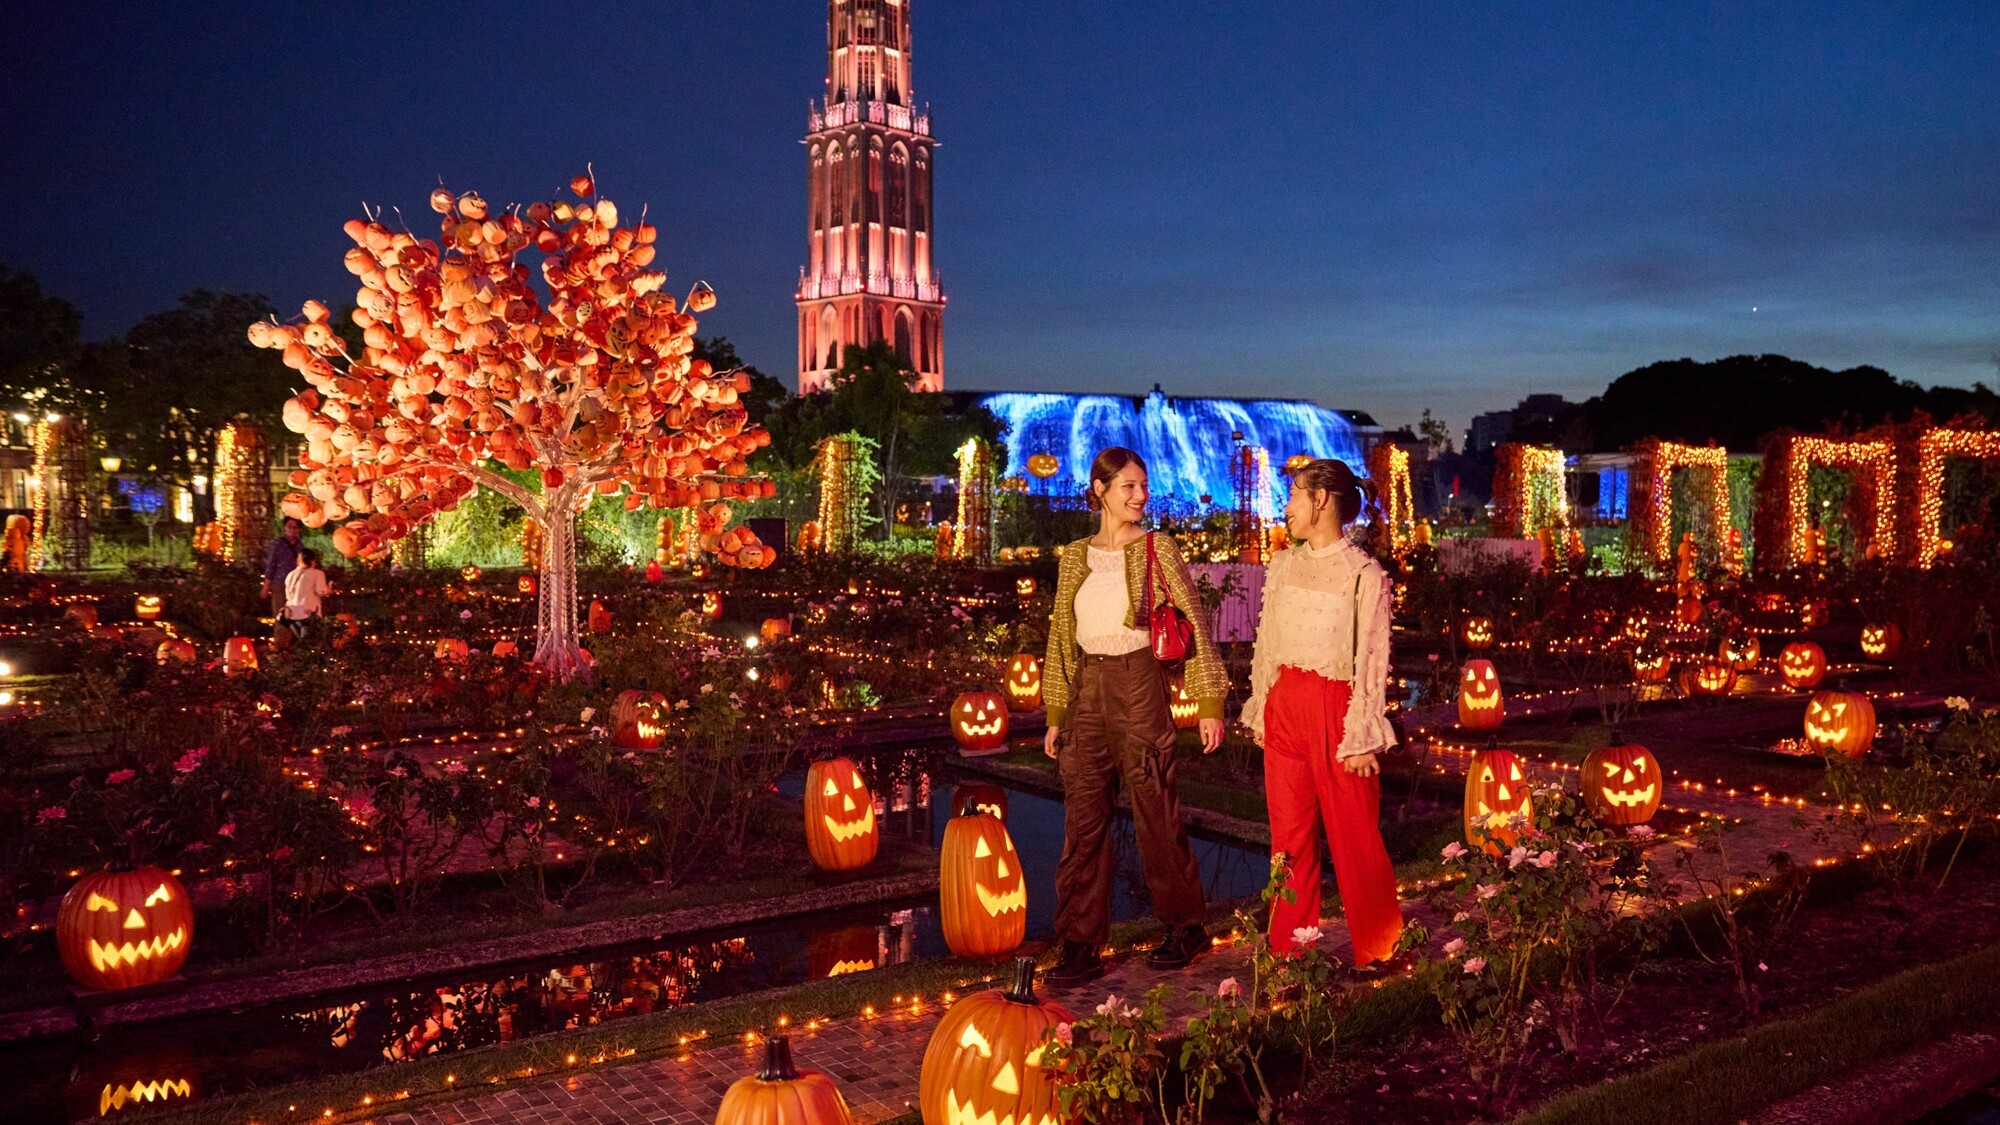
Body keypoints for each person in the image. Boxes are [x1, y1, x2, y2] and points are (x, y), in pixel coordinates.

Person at [1042, 447, 1227, 985]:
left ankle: (1185, 927)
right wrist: (1057, 713)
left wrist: (1209, 703)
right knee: (1084, 820)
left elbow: (1192, 618)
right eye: (1127, 486)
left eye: (1143, 486)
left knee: (1155, 810)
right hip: (1087, 692)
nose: (1140, 496)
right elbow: (1059, 636)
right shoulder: (1074, 556)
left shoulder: (1156, 548)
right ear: (1099, 490)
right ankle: (1079, 943)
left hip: (1139, 682)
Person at [1241, 459, 1405, 969]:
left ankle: (1379, 951)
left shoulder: (1364, 575)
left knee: (1353, 831)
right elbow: (1266, 643)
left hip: (1337, 711)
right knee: (1288, 840)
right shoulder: (1284, 564)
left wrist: (1361, 735)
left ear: (1322, 500)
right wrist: (1262, 706)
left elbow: (1372, 659)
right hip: (1284, 703)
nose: (1285, 506)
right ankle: (1289, 955)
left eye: (1294, 494)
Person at [283, 548, 331, 639]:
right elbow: (320, 591)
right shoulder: (317, 574)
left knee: (301, 643)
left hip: (292, 613)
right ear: (312, 561)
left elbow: (287, 594)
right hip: (308, 613)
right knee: (310, 644)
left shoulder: (291, 574)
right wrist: (328, 590)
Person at [264, 517, 306, 618]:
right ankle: (280, 634)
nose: (292, 530)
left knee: (294, 614)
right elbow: (271, 564)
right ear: (284, 527)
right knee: (281, 614)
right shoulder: (278, 544)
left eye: (295, 527)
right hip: (280, 583)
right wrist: (266, 585)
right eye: (289, 527)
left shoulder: (300, 545)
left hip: (296, 585)